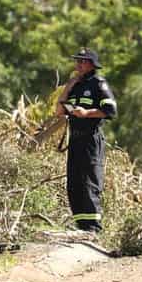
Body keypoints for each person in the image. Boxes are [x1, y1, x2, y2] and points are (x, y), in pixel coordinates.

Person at [56, 48, 117, 232]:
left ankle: (93, 228)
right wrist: (69, 85)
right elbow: (59, 111)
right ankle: (81, 226)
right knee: (75, 183)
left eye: (82, 61)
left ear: (91, 64)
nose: (78, 65)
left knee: (90, 181)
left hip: (91, 139)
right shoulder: (75, 84)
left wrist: (87, 113)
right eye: (77, 61)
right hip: (75, 140)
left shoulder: (98, 84)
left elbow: (111, 111)